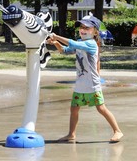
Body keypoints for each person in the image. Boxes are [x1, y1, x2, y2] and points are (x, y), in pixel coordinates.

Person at [47, 15, 123, 143]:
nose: (83, 30)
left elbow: (73, 43)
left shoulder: (91, 44)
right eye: (82, 27)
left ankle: (118, 131)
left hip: (92, 84)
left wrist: (57, 36)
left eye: (87, 28)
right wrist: (56, 43)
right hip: (80, 84)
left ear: (95, 32)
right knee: (74, 109)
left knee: (101, 108)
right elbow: (66, 50)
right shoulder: (81, 42)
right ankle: (71, 134)